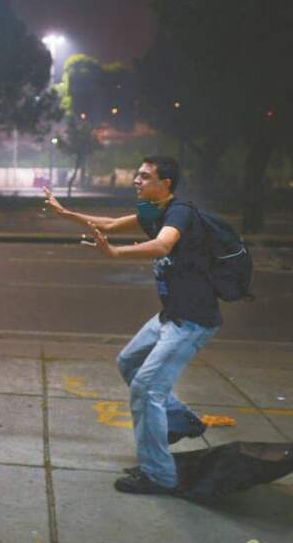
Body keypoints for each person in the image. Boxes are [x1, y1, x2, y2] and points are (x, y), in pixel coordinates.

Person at [43, 155, 220, 495]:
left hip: (192, 321)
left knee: (146, 389)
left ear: (165, 183)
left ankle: (159, 476)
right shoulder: (153, 213)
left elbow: (163, 245)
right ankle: (182, 421)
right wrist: (66, 213)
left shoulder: (179, 212)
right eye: (136, 175)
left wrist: (117, 255)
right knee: (128, 363)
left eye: (144, 176)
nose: (136, 180)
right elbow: (107, 225)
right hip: (171, 315)